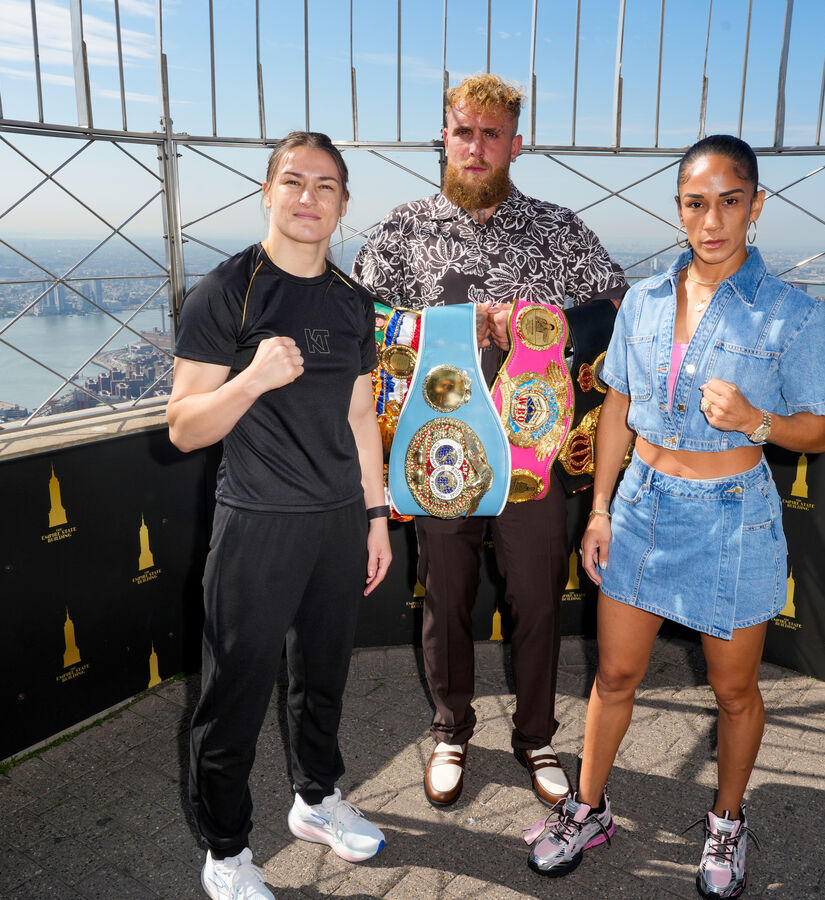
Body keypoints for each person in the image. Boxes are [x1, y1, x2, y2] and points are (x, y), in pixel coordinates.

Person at [525, 135, 825, 898]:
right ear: (679, 211)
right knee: (614, 674)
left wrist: (758, 421)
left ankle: (727, 820)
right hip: (640, 508)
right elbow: (619, 411)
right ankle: (588, 806)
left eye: (730, 201)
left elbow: (822, 429)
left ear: (756, 206)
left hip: (734, 515)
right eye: (696, 204)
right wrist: (599, 509)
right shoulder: (644, 299)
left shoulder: (789, 313)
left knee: (734, 691)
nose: (713, 220)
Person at [354, 73, 627, 809]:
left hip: (532, 462)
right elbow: (364, 325)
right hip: (437, 459)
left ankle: (537, 736)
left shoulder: (560, 229)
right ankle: (450, 729)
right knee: (446, 599)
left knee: (538, 600)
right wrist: (457, 327)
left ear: (515, 142)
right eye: (463, 131)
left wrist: (542, 322)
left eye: (492, 133)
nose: (476, 147)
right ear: (443, 135)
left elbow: (613, 310)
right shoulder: (399, 232)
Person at [167, 131, 391, 900]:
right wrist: (252, 379)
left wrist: (375, 516)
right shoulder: (226, 292)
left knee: (321, 681)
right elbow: (185, 426)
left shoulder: (353, 301)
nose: (308, 197)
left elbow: (362, 416)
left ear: (343, 205)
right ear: (267, 192)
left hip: (336, 522)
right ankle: (225, 852)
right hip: (256, 522)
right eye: (293, 181)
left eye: (326, 186)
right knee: (233, 692)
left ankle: (317, 800)